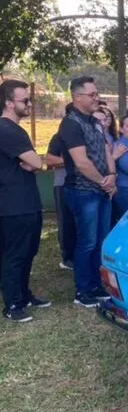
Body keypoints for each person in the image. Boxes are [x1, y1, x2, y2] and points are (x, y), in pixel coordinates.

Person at [58, 76, 116, 307]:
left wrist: (113, 176)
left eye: (97, 93)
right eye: (92, 95)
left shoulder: (95, 121)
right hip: (83, 192)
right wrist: (104, 181)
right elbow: (81, 162)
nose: (97, 98)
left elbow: (106, 149)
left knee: (100, 241)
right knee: (87, 242)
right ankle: (82, 291)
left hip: (101, 190)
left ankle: (95, 284)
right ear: (77, 97)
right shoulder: (70, 124)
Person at [0, 79, 49, 322]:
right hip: (14, 205)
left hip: (25, 202)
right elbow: (37, 162)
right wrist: (40, 164)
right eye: (25, 100)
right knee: (15, 255)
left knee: (28, 252)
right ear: (9, 103)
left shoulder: (14, 129)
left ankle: (24, 294)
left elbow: (33, 163)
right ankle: (12, 305)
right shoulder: (7, 129)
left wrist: (35, 164)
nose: (29, 103)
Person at [45, 108, 76, 271]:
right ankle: (67, 258)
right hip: (62, 184)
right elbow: (49, 160)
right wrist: (73, 160)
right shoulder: (59, 137)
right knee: (65, 222)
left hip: (79, 184)